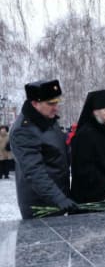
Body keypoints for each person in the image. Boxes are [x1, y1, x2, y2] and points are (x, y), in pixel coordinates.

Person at [9, 79, 77, 219]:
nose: (56, 107)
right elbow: (34, 172)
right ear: (35, 103)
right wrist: (58, 198)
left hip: (58, 198)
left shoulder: (48, 119)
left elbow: (59, 153)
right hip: (40, 205)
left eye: (57, 102)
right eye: (51, 103)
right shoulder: (23, 130)